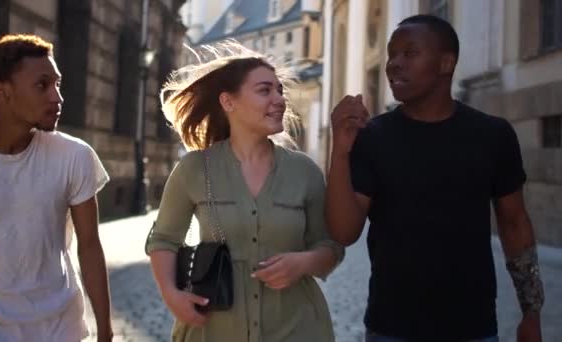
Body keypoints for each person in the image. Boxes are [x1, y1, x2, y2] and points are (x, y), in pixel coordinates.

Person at [326, 15, 544, 342]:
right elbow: (343, 232)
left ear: (446, 63)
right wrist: (340, 152)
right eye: (391, 54)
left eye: (409, 53)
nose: (393, 64)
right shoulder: (373, 137)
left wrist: (531, 312)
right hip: (390, 329)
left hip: (473, 329)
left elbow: (514, 224)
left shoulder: (493, 135)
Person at [145, 42, 344, 342]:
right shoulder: (194, 169)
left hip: (297, 329)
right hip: (214, 332)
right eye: (265, 90)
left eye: (280, 90)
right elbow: (163, 240)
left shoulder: (304, 172)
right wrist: (172, 295)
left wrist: (301, 263)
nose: (279, 99)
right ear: (228, 102)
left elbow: (330, 248)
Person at [0, 34, 113, 341]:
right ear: (3, 92)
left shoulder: (74, 155)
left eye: (58, 84)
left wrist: (105, 332)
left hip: (58, 327)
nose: (57, 97)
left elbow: (90, 246)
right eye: (42, 85)